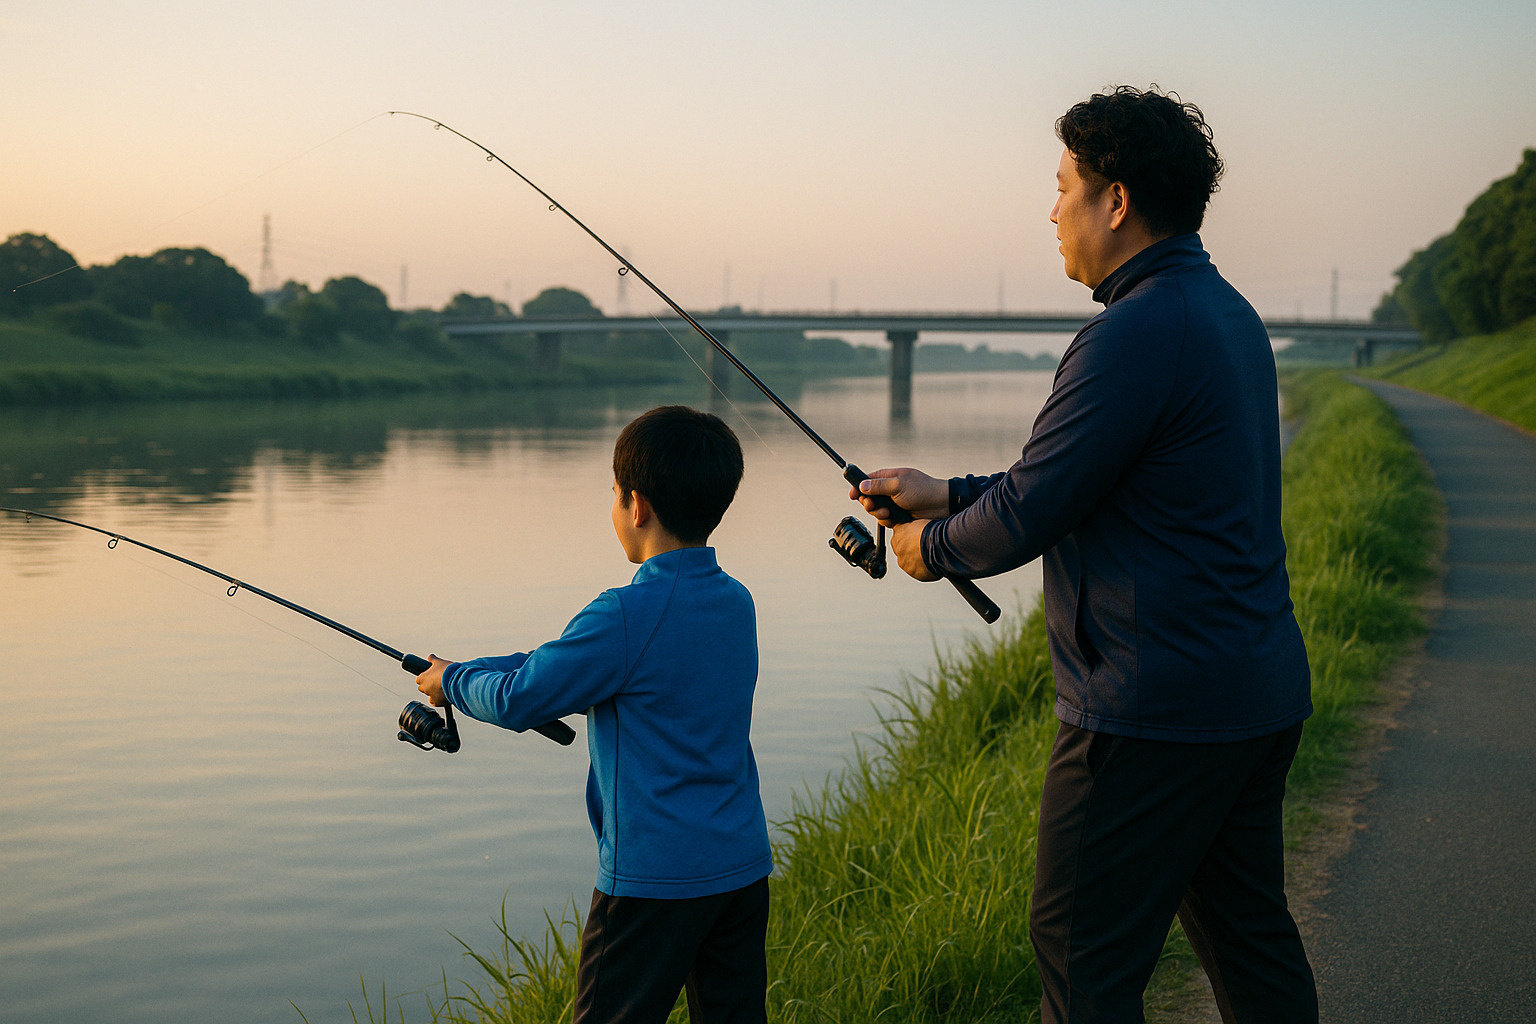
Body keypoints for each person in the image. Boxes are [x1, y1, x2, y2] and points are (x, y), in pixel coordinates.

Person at [852, 86, 1319, 1023]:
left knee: (1080, 960)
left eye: (1063, 185)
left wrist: (927, 549)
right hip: (1249, 689)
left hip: (1147, 715)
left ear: (1115, 201)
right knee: (1250, 945)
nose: (1051, 209)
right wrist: (946, 493)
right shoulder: (1222, 313)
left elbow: (1028, 518)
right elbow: (1081, 485)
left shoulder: (1130, 334)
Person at [416, 405, 772, 1024]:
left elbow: (522, 697)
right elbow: (554, 664)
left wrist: (453, 682)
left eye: (612, 492)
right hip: (739, 867)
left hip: (651, 882)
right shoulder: (734, 600)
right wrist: (466, 667)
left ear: (635, 506)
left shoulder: (624, 614)